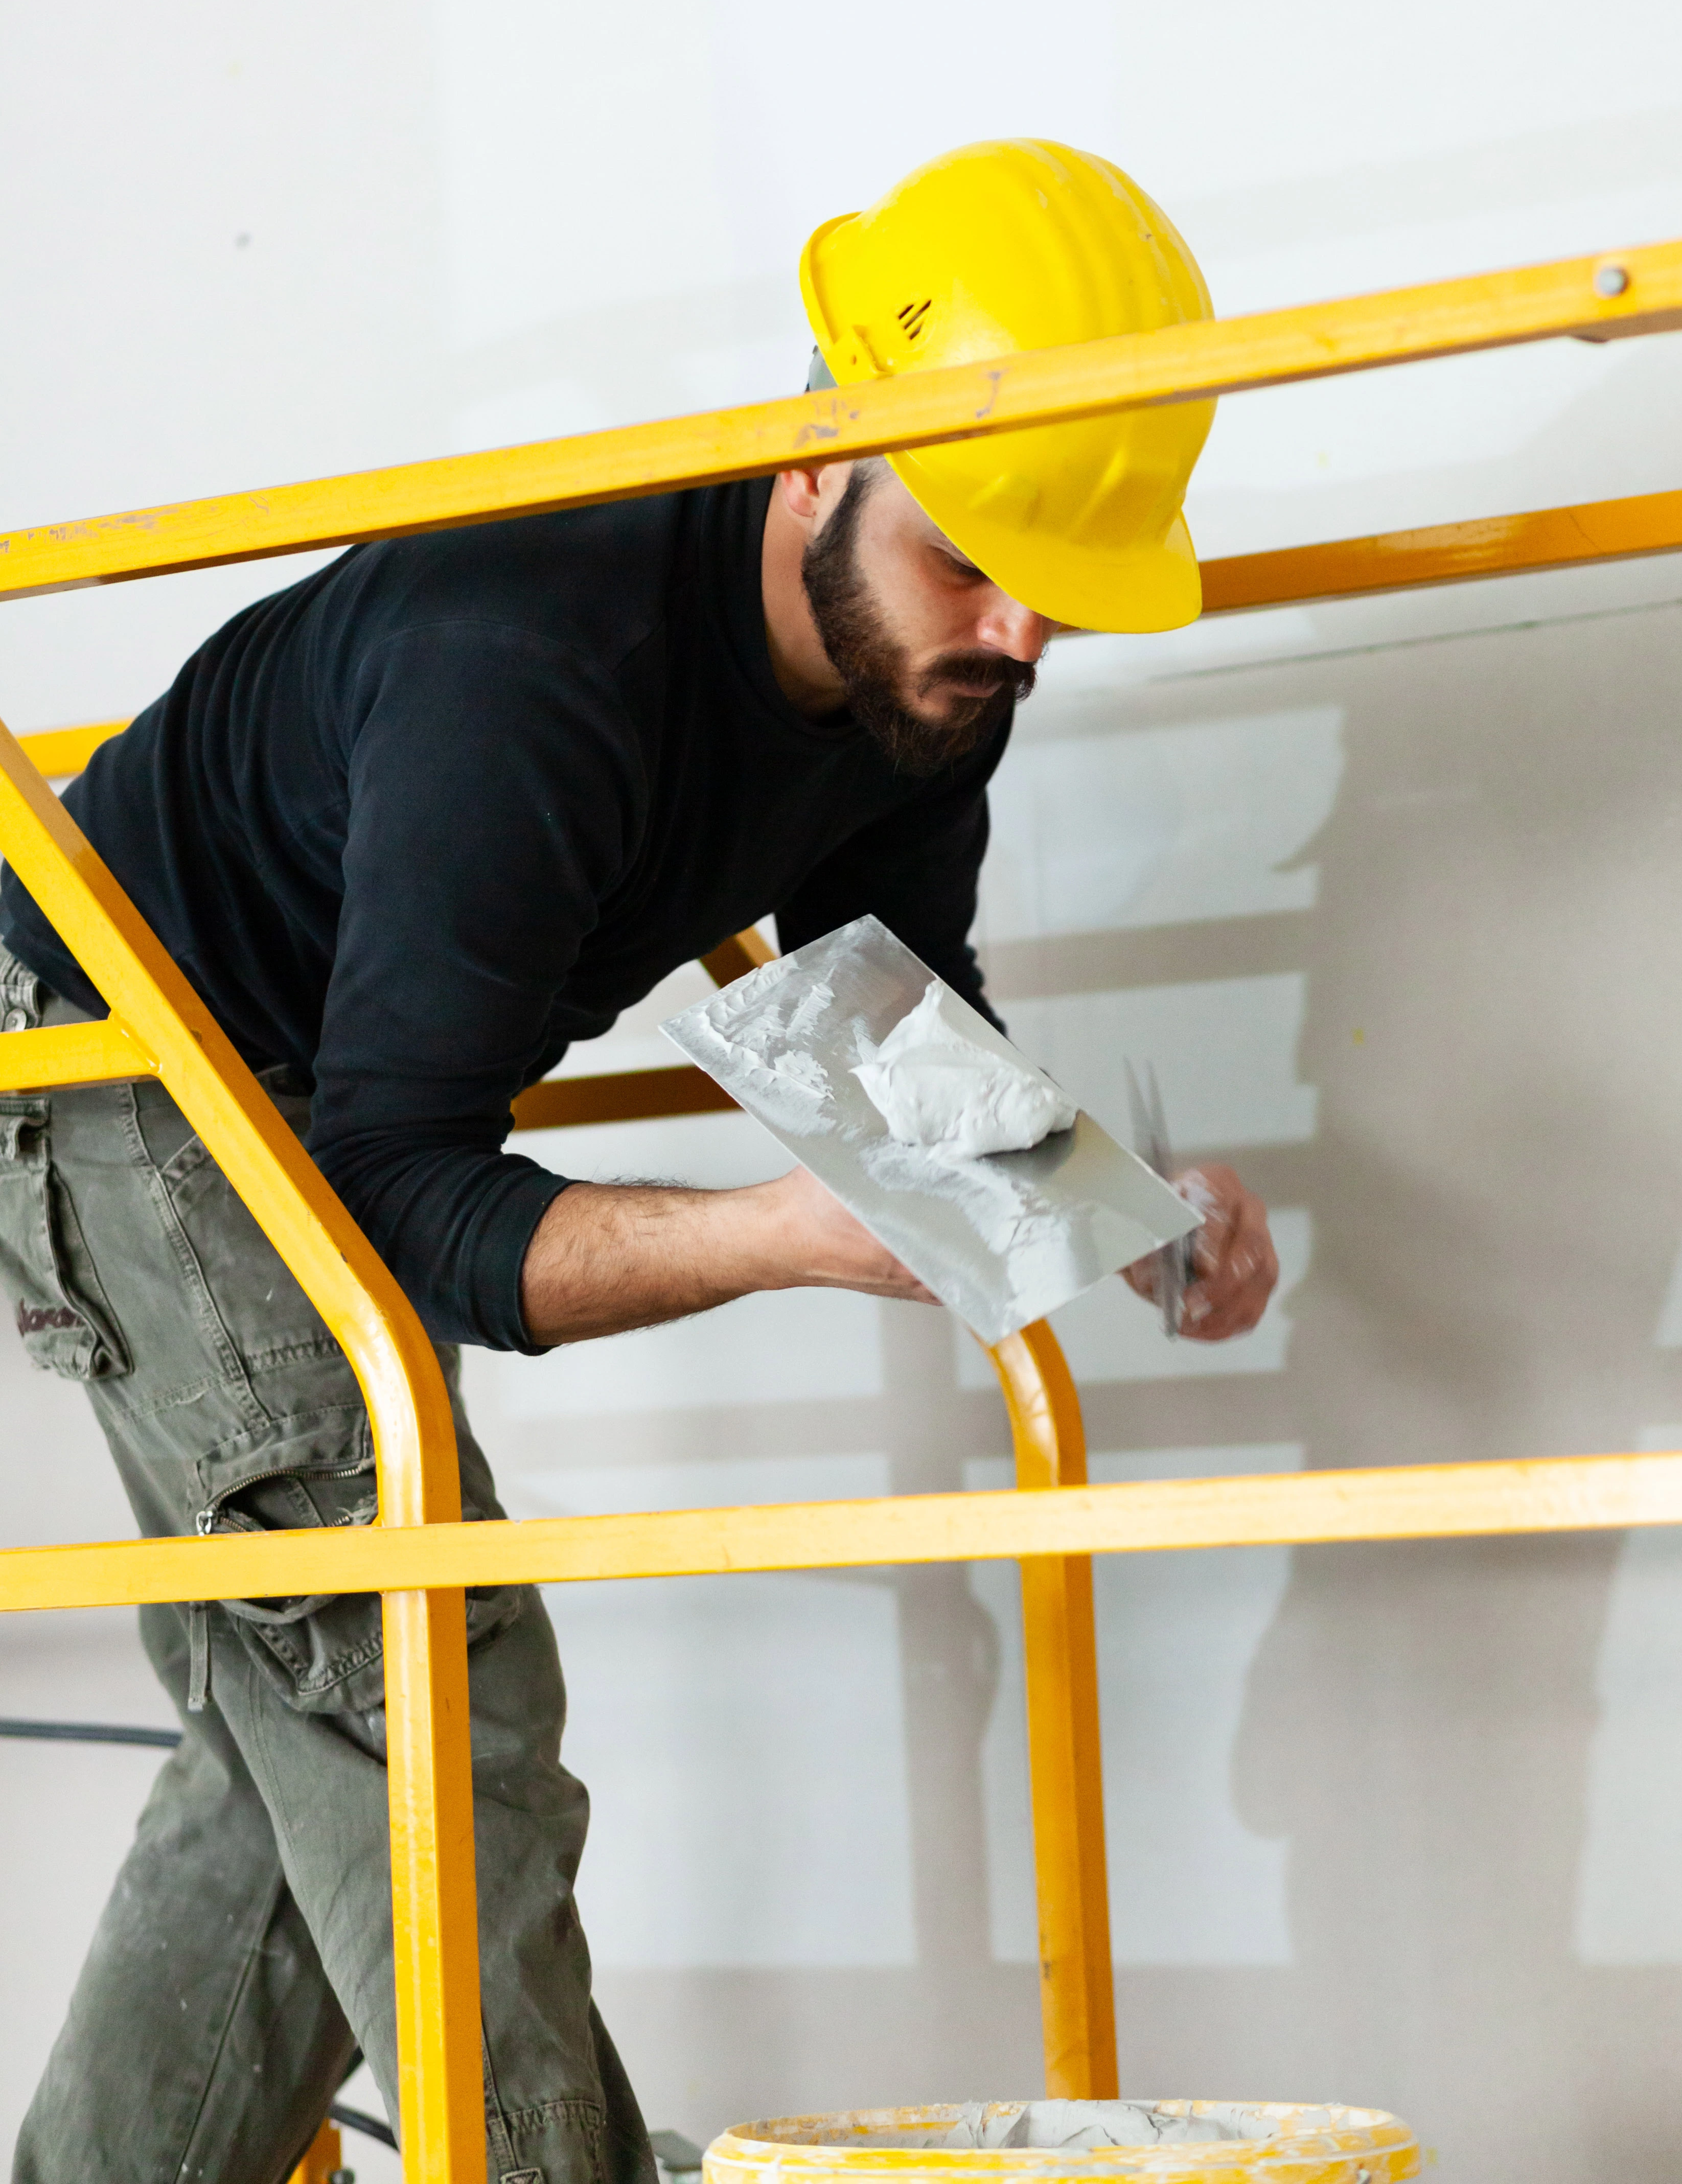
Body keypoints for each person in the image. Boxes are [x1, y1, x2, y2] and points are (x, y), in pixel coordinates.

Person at [0, 140, 1278, 2184]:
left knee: (304, 1728)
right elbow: (401, 1209)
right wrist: (776, 1232)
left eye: (1059, 574)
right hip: (109, 1053)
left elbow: (896, 1017)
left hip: (281, 1077)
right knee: (429, 1654)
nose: (1018, 626)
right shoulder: (536, 657)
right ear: (810, 456)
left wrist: (1114, 1207)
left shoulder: (940, 671)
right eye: (972, 554)